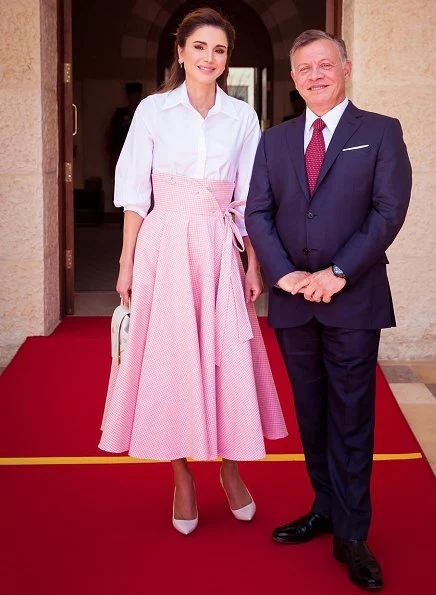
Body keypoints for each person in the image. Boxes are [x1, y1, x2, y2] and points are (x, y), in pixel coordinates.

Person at [99, 8, 287, 536]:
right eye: (200, 47)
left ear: (228, 60)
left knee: (228, 357)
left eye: (220, 50)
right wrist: (125, 262)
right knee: (170, 361)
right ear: (180, 53)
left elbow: (252, 199)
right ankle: (181, 476)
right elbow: (136, 194)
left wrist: (254, 262)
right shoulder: (153, 112)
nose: (209, 58)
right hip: (164, 246)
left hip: (217, 245)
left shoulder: (243, 118)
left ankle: (230, 469)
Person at [245, 30, 411, 591]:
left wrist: (336, 274)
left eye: (325, 65)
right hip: (294, 301)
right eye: (304, 68)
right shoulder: (275, 140)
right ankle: (324, 506)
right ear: (293, 78)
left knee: (351, 417)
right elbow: (257, 213)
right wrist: (286, 275)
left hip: (353, 298)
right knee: (311, 415)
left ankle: (354, 533)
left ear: (346, 68)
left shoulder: (381, 133)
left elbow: (388, 213)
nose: (315, 75)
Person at [106, 82, 143, 176]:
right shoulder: (120, 113)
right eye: (132, 95)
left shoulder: (144, 113)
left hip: (139, 154)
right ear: (128, 96)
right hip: (120, 153)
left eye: (137, 95)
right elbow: (110, 134)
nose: (135, 98)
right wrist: (112, 155)